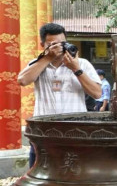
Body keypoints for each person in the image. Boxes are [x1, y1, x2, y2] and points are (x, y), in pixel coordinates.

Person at [18, 23, 102, 167]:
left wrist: (76, 69)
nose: (59, 48)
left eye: (62, 43)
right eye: (52, 44)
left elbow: (97, 93)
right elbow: (22, 80)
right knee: (40, 172)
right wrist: (47, 58)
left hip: (75, 131)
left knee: (75, 171)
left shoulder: (82, 63)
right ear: (43, 45)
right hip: (43, 131)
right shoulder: (37, 63)